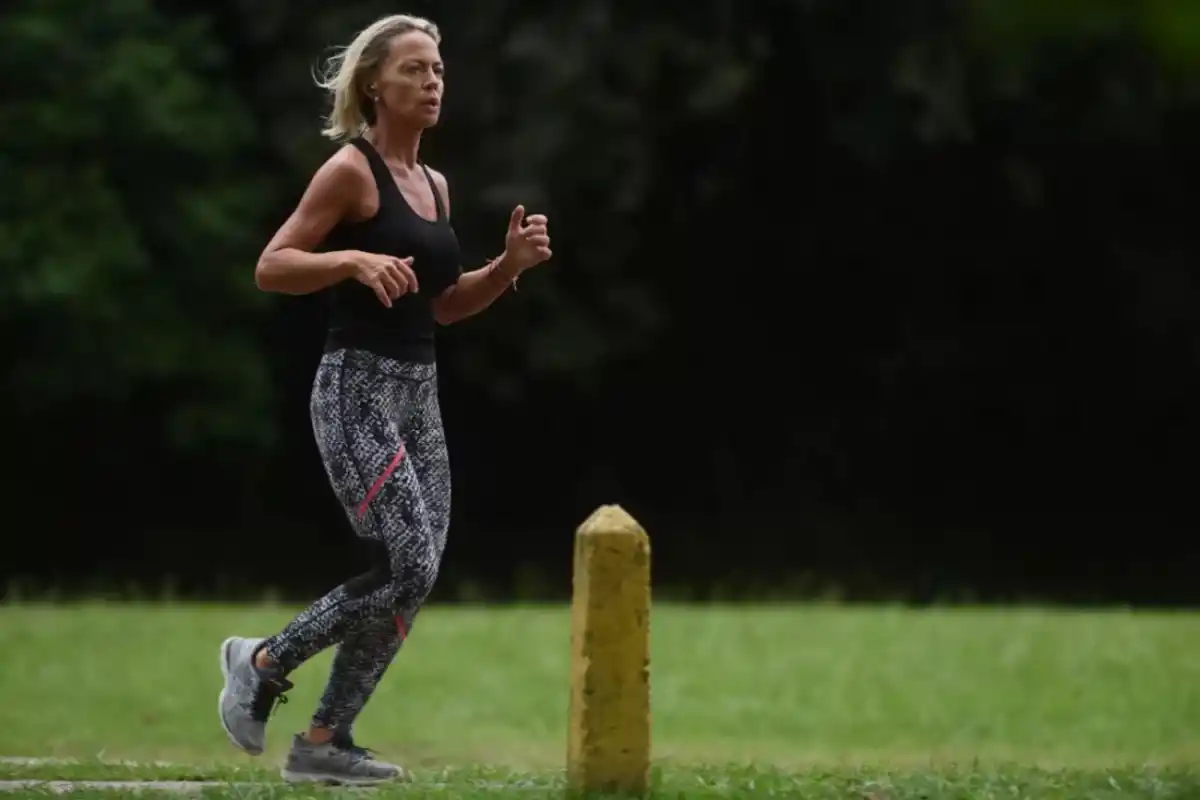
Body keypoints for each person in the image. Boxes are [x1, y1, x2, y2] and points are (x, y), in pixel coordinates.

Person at [215, 13, 552, 786]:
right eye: (416, 70)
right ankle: (261, 661)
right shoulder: (350, 171)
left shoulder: (434, 185)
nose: (433, 82)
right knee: (404, 561)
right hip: (354, 388)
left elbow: (442, 306)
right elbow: (273, 265)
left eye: (438, 70)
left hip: (417, 395)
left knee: (418, 572)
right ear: (375, 82)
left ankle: (326, 741)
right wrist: (352, 261)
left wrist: (506, 266)